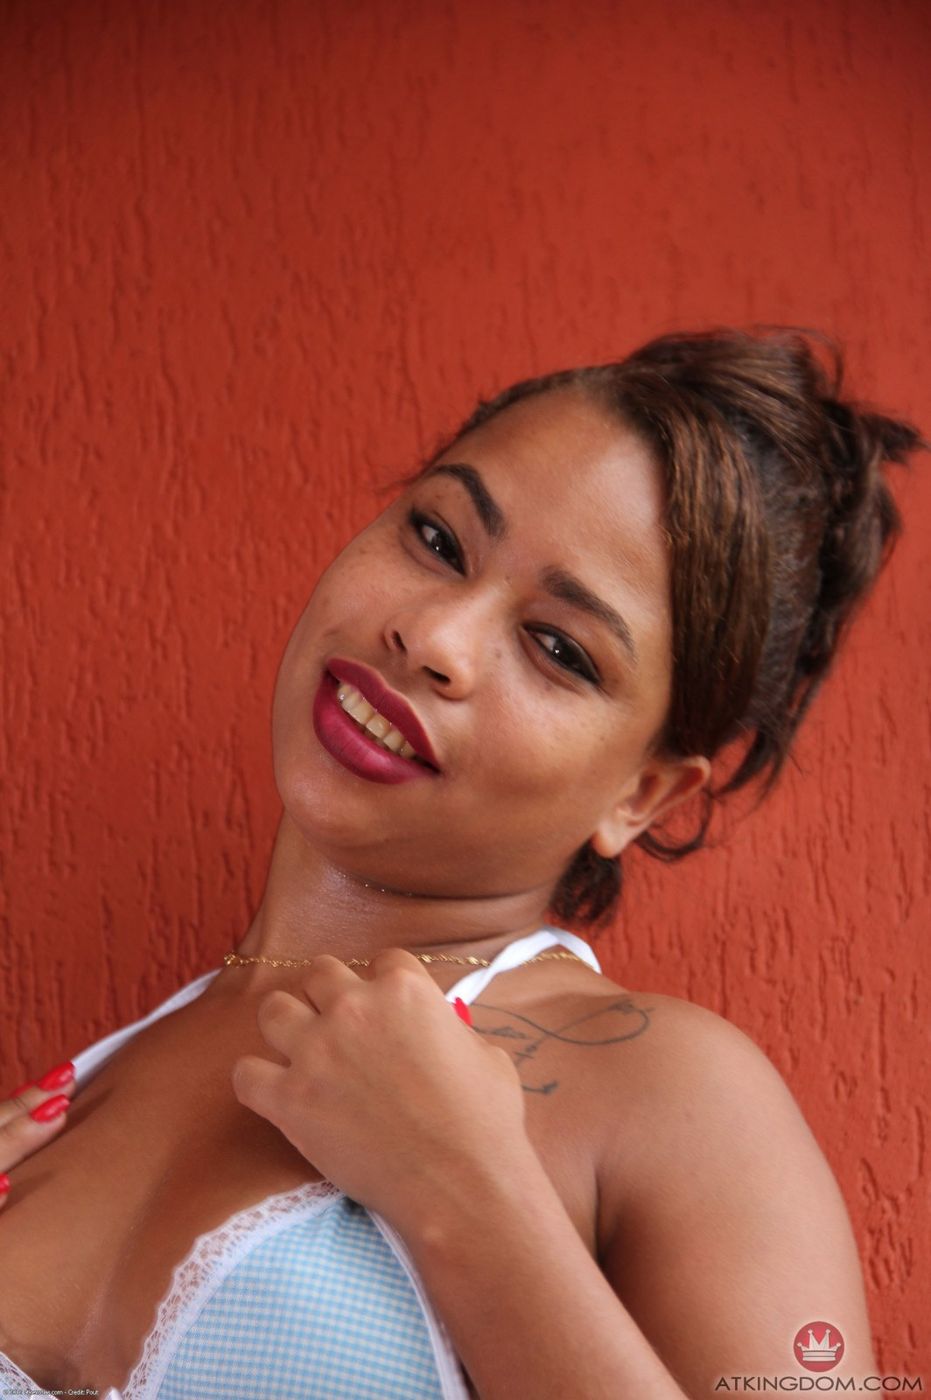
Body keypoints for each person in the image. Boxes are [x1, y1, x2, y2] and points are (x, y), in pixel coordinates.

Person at [0, 327, 924, 1399]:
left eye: (560, 648)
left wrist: (473, 1200)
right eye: (438, 537)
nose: (434, 636)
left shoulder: (675, 1099)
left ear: (642, 795)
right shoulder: (92, 1084)